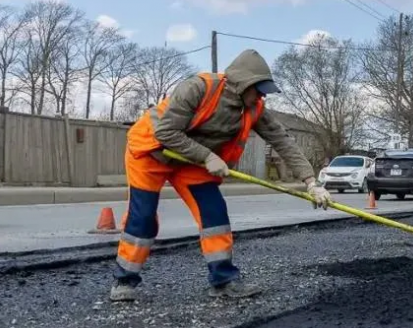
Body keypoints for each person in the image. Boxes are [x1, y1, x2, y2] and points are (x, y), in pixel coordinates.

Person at [111, 49, 331, 302]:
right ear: (242, 84)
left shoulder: (254, 108)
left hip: (191, 163)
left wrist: (311, 182)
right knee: (143, 217)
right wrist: (207, 156)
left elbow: (283, 142)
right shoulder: (197, 89)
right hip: (151, 152)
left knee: (214, 213)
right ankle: (124, 280)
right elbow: (166, 133)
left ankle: (223, 280)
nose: (261, 96)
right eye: (258, 90)